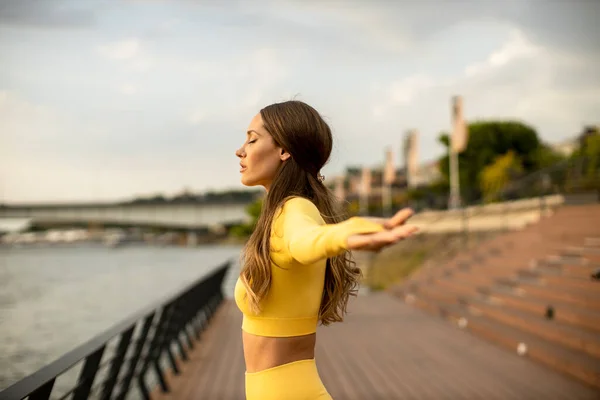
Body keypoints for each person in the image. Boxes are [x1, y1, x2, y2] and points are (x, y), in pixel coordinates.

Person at [234, 100, 418, 400]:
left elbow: (307, 241)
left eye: (252, 139)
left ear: (284, 150)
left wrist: (348, 233)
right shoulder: (280, 212)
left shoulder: (294, 209)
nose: (241, 150)